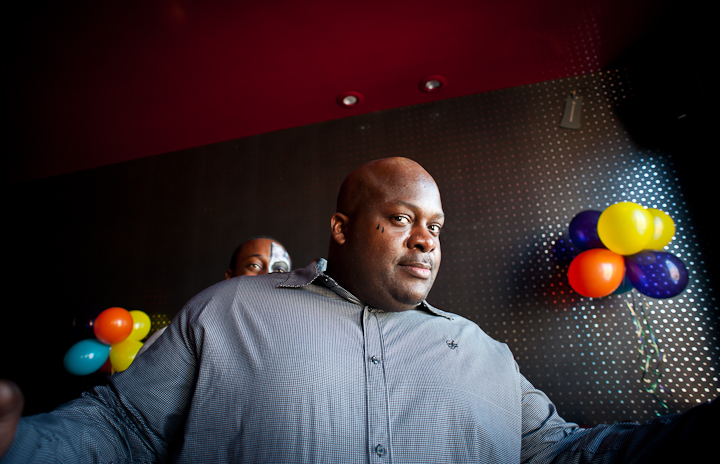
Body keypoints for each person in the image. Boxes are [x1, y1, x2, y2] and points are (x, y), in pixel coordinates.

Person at [0, 157, 717, 463]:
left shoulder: (487, 356)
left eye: (435, 225)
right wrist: (19, 447)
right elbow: (121, 430)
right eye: (401, 218)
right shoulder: (227, 311)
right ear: (341, 228)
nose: (426, 238)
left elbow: (561, 455)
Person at [139, 236, 291, 353]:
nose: (267, 276)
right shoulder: (179, 339)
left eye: (280, 270)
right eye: (254, 265)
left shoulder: (294, 343)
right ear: (230, 276)